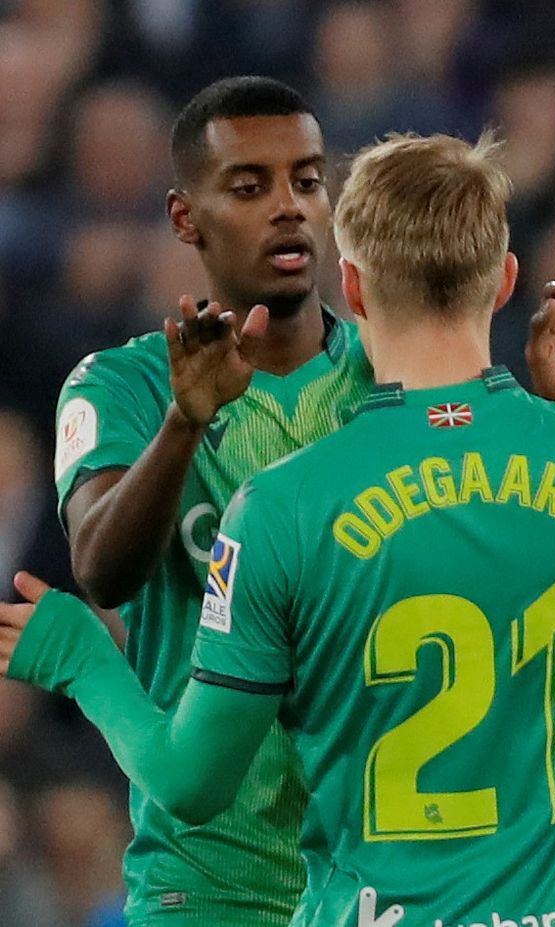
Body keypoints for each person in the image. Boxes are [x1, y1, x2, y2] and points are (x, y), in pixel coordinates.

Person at [0, 131, 555, 926]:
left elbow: (192, 781)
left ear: (354, 289)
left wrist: (81, 656)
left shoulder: (278, 507)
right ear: (505, 282)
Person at [51, 75, 372, 927]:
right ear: (184, 217)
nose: (290, 208)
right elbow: (102, 569)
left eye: (307, 180)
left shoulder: (392, 380)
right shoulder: (118, 386)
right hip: (205, 887)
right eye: (249, 186)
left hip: (379, 887)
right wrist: (183, 426)